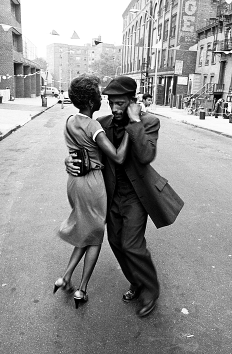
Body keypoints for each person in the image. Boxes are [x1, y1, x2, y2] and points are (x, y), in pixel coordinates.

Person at [65, 76, 184, 317]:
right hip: (108, 195)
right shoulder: (101, 122)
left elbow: (146, 155)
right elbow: (85, 152)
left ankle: (151, 290)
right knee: (116, 244)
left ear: (132, 101)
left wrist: (135, 121)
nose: (115, 108)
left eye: (120, 103)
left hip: (136, 196)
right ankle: (136, 281)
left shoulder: (149, 122)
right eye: (111, 103)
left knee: (132, 244)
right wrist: (69, 161)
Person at [54, 74, 130, 309]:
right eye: (97, 94)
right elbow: (117, 156)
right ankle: (82, 289)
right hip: (92, 184)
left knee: (86, 230)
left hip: (74, 182)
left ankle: (65, 277)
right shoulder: (93, 125)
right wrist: (130, 130)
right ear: (89, 101)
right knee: (95, 237)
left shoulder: (69, 120)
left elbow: (75, 150)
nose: (101, 98)